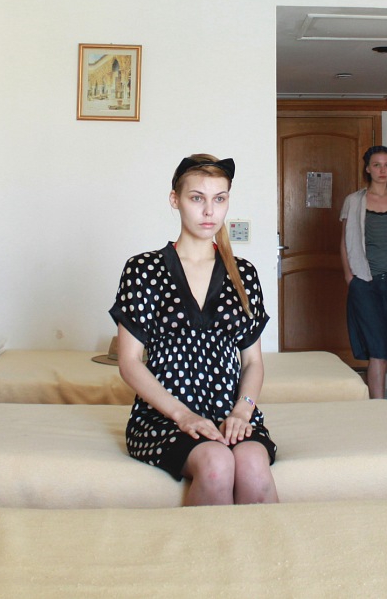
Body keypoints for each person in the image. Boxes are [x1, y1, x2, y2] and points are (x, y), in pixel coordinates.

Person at [110, 154, 279, 506]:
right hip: (164, 416)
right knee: (216, 465)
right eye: (197, 198)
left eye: (219, 199)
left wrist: (243, 411)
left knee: (252, 465)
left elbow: (252, 362)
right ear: (175, 200)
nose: (209, 211)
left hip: (230, 412)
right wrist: (183, 415)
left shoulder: (243, 273)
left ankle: (268, 546)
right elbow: (129, 362)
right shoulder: (144, 270)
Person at [339, 145, 387, 400]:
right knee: (377, 348)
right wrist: (350, 277)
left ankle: (372, 391)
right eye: (377, 165)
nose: (383, 170)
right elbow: (345, 242)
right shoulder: (354, 201)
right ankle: (378, 406)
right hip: (366, 281)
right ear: (368, 169)